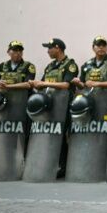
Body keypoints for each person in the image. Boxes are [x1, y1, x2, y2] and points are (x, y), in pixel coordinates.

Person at [30, 38, 79, 178]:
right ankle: (50, 163)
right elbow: (43, 82)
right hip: (49, 105)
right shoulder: (50, 66)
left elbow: (66, 85)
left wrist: (44, 83)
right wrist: (37, 84)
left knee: (63, 135)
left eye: (50, 48)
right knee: (50, 134)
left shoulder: (70, 65)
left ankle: (64, 166)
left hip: (64, 105)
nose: (48, 51)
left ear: (58, 48)